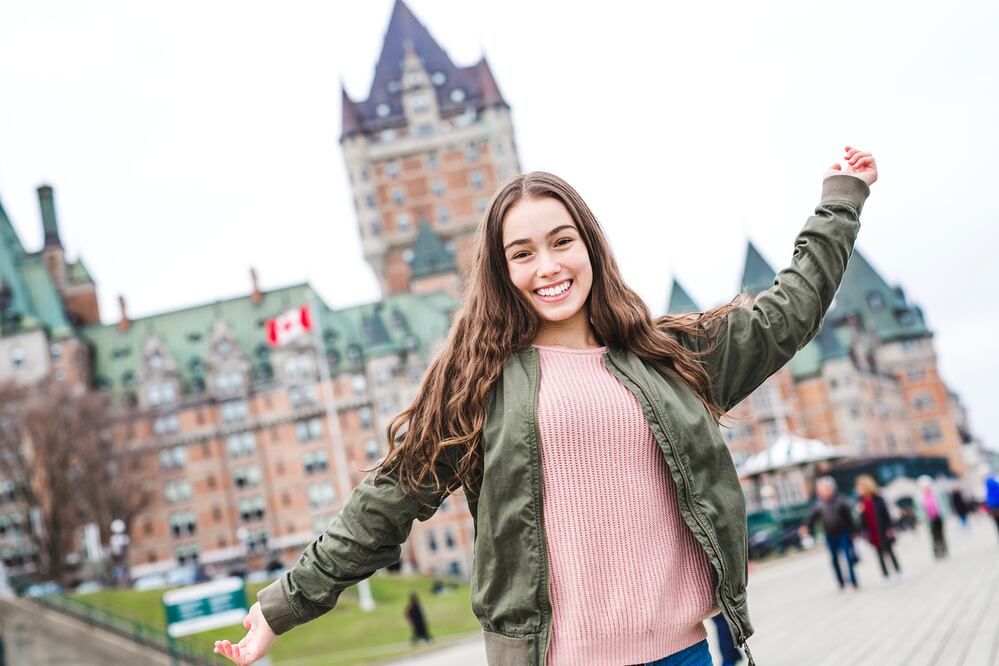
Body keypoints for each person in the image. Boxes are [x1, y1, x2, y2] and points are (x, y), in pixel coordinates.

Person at [214, 148, 877, 666]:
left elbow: (787, 313)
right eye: (521, 253)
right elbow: (384, 503)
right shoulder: (476, 385)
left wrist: (838, 201)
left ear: (588, 245)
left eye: (561, 241)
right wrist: (281, 607)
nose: (547, 266)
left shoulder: (666, 358)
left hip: (683, 657)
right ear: (502, 273)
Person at [802, 476, 860, 590]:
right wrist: (807, 527)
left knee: (847, 557)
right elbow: (812, 518)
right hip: (830, 534)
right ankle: (841, 582)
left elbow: (849, 519)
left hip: (843, 533)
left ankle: (853, 581)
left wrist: (853, 532)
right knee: (834, 560)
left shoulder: (841, 501)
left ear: (830, 489)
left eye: (821, 489)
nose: (819, 491)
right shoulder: (819, 505)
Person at [855, 475, 901, 581]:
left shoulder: (878, 499)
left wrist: (889, 528)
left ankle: (897, 571)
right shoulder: (861, 502)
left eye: (860, 487)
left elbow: (886, 515)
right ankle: (886, 575)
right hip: (873, 532)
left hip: (883, 529)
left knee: (890, 551)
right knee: (879, 554)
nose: (858, 489)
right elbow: (862, 521)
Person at [917, 475, 949, 559]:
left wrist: (945, 514)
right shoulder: (919, 497)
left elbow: (943, 504)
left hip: (938, 517)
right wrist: (922, 518)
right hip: (929, 519)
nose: (926, 487)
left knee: (941, 534)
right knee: (933, 536)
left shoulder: (936, 493)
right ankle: (937, 552)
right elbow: (919, 510)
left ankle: (944, 550)